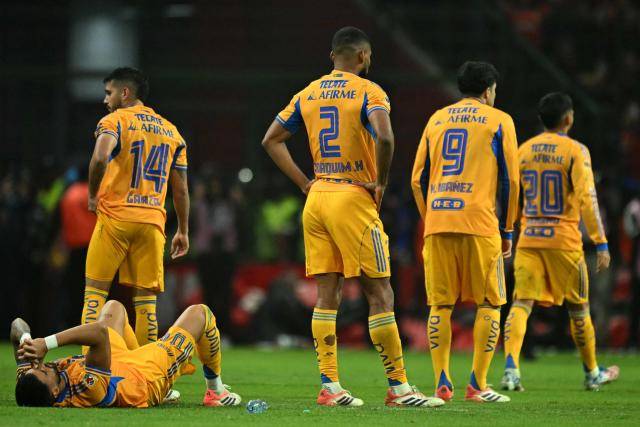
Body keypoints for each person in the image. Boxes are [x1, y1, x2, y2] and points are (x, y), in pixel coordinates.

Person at [262, 26, 443, 408]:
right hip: (352, 196)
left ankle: (329, 386)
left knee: (328, 296)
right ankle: (399, 389)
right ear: (363, 57)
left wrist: (303, 182)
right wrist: (381, 182)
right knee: (380, 293)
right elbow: (387, 137)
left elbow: (271, 140)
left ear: (333, 56)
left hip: (318, 198)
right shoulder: (369, 91)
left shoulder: (307, 92)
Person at [411, 61, 520, 403]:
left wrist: (432, 218)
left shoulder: (436, 118)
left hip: (439, 222)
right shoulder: (499, 119)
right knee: (489, 302)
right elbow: (511, 180)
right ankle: (478, 385)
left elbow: (417, 179)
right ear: (488, 90)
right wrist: (508, 229)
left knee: (440, 306)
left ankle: (442, 383)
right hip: (479, 222)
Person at [500, 92, 619, 391]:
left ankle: (511, 370)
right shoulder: (576, 151)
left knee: (521, 304)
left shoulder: (524, 151)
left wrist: (509, 232)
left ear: (541, 119)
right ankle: (592, 373)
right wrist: (600, 242)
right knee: (579, 310)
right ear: (568, 118)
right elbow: (586, 198)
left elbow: (511, 194)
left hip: (530, 239)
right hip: (564, 242)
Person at [82, 67, 190, 346]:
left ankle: (87, 366)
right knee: (146, 304)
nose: (106, 100)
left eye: (109, 93)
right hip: (152, 222)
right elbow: (180, 189)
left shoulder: (115, 121)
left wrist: (93, 195)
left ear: (125, 93)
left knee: (95, 295)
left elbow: (100, 158)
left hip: (116, 218)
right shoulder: (172, 132)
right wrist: (183, 230)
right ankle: (146, 375)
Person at [11, 300, 241, 407]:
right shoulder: (88, 387)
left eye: (36, 367)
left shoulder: (30, 381)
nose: (40, 366)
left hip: (114, 363)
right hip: (144, 377)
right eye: (42, 372)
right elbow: (99, 333)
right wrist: (47, 343)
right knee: (200, 313)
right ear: (54, 391)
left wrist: (26, 340)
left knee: (113, 307)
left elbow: (17, 325)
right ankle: (215, 392)